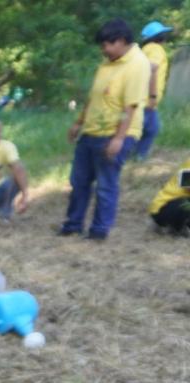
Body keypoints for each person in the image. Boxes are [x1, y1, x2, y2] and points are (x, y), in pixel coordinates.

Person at [60, 19, 151, 240]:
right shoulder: (107, 63)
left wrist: (119, 139)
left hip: (115, 133)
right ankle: (73, 224)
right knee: (79, 181)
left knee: (105, 185)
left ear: (120, 41)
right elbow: (95, 97)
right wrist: (78, 123)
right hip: (91, 131)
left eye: (107, 45)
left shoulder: (138, 64)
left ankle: (99, 230)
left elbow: (130, 106)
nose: (104, 49)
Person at [135, 21, 174, 161]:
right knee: (151, 129)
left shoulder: (144, 50)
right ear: (160, 37)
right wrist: (152, 96)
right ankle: (138, 156)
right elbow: (152, 68)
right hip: (147, 99)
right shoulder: (156, 49)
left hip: (139, 97)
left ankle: (135, 155)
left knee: (140, 129)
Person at [149, 159, 190, 234]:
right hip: (163, 207)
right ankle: (175, 227)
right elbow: (187, 186)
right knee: (186, 204)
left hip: (177, 203)